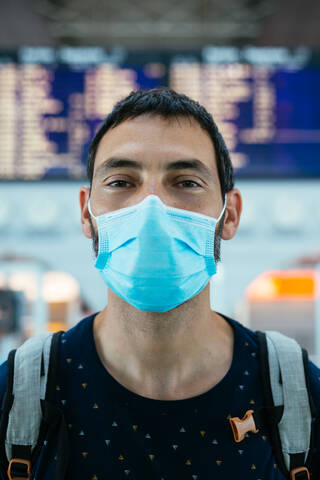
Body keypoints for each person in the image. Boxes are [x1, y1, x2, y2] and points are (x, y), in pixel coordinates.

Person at [0, 88, 319, 479]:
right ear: (86, 213)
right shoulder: (18, 400)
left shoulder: (298, 398)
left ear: (230, 215)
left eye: (186, 182)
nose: (151, 206)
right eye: (121, 182)